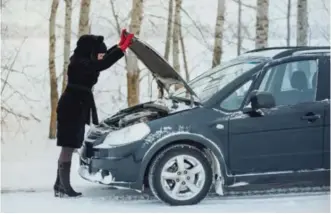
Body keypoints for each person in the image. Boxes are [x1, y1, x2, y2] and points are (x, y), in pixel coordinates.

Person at [53, 29, 134, 198]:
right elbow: (101, 65)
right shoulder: (78, 63)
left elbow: (101, 61)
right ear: (90, 52)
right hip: (70, 107)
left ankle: (60, 185)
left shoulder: (84, 59)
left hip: (78, 105)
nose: (100, 57)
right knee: (68, 146)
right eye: (98, 54)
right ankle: (64, 187)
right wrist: (121, 50)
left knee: (71, 144)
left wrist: (118, 46)